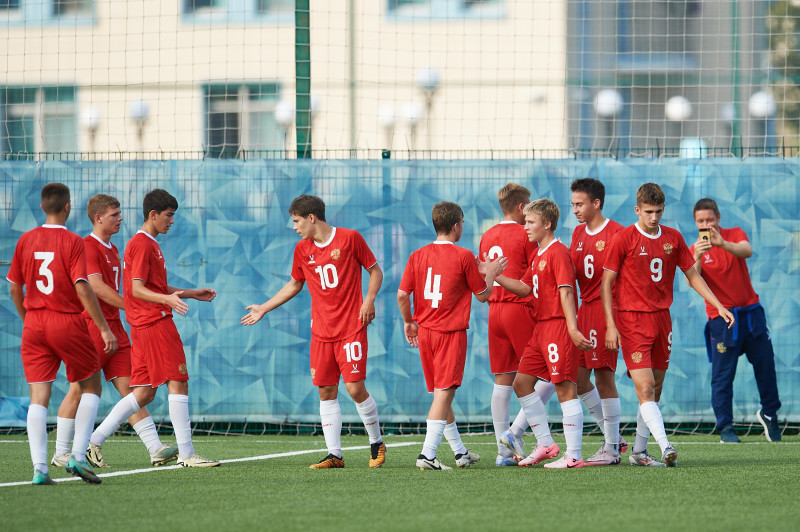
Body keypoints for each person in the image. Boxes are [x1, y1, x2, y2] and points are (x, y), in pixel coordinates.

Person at [242, 194, 387, 469]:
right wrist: (263, 308)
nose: (294, 227)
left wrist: (369, 300)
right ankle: (335, 454)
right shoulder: (302, 250)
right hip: (321, 331)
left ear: (311, 218)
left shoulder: (350, 238)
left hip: (351, 327)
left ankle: (376, 442)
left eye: (296, 221)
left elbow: (375, 271)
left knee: (355, 389)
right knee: (326, 391)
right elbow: (295, 284)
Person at [601, 183, 734, 468]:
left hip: (662, 320)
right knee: (645, 387)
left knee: (656, 389)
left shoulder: (673, 238)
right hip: (631, 320)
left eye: (659, 211)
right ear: (637, 210)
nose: (654, 217)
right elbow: (606, 283)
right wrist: (611, 325)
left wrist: (719, 304)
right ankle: (665, 446)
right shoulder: (623, 239)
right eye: (648, 212)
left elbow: (692, 276)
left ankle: (638, 450)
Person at [88, 189, 219, 468]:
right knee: (178, 381)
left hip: (144, 324)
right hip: (154, 323)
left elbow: (154, 287)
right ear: (153, 215)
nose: (172, 221)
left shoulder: (146, 243)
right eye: (169, 216)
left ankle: (94, 440)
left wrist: (191, 293)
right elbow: (137, 289)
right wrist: (166, 300)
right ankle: (186, 454)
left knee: (144, 392)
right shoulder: (143, 244)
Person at [49, 194, 179, 469]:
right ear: (98, 218)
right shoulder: (87, 245)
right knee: (78, 388)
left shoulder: (112, 248)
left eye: (120, 214)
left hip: (116, 330)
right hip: (92, 328)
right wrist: (131, 306)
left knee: (136, 390)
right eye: (114, 215)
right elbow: (95, 287)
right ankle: (61, 452)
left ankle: (155, 448)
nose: (121, 218)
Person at [7, 182, 118, 485]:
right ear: (68, 207)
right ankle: (78, 458)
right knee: (92, 385)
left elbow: (14, 287)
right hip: (66, 321)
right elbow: (83, 287)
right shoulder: (72, 241)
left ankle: (40, 468)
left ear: (42, 207)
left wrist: (27, 318)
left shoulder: (25, 240)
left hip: (34, 323)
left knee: (38, 397)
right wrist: (104, 329)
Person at [398, 201, 505, 470]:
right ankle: (427, 455)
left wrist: (409, 321)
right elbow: (482, 296)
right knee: (444, 395)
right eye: (463, 223)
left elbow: (402, 294)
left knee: (441, 394)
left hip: (425, 333)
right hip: (449, 334)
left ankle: (459, 452)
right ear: (456, 226)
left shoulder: (417, 255)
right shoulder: (462, 255)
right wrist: (491, 274)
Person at [494, 198, 592, 469]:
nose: (525, 226)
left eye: (530, 222)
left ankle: (573, 455)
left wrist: (572, 328)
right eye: (525, 221)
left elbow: (566, 291)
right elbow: (525, 289)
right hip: (540, 328)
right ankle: (546, 444)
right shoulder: (538, 254)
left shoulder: (558, 252)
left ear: (547, 224)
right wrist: (493, 275)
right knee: (521, 383)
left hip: (558, 326)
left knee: (564, 389)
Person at [690, 198, 781, 443]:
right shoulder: (695, 248)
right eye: (701, 221)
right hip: (722, 319)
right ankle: (726, 429)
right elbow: (694, 278)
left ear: (718, 218)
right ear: (695, 222)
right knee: (722, 376)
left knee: (766, 367)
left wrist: (724, 244)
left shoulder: (734, 234)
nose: (706, 224)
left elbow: (747, 250)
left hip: (751, 313)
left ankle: (770, 415)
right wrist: (697, 257)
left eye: (710, 219)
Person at [478, 183, 555, 467]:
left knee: (502, 380)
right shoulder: (527, 234)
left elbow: (483, 278)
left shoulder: (487, 236)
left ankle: (503, 453)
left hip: (495, 312)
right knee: (547, 375)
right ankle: (514, 433)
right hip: (520, 310)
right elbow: (533, 278)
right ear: (522, 207)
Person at [568, 178, 627, 466]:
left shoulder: (618, 233)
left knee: (604, 379)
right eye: (573, 205)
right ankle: (612, 436)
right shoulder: (577, 234)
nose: (575, 210)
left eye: (580, 204)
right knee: (579, 379)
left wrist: (615, 321)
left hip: (606, 313)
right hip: (583, 312)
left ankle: (613, 449)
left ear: (596, 203)